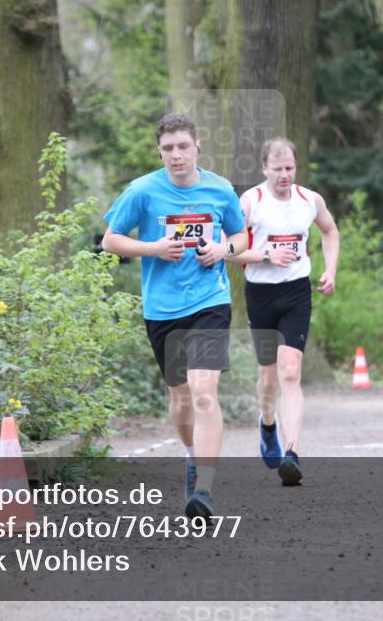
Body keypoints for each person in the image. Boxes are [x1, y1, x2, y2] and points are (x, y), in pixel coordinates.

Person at [102, 113, 248, 519]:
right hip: (162, 309)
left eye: (183, 146)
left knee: (204, 392)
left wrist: (224, 251)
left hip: (210, 301)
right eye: (168, 149)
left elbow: (240, 236)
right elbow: (110, 240)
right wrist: (154, 248)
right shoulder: (143, 191)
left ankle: (203, 488)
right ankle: (190, 457)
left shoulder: (220, 190)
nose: (176, 155)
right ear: (160, 152)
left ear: (197, 146)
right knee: (181, 399)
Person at [233, 138, 338, 486]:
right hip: (260, 294)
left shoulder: (310, 200)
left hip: (296, 292)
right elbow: (227, 249)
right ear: (264, 168)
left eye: (290, 168)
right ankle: (267, 424)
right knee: (267, 376)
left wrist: (330, 270)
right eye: (277, 169)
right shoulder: (250, 202)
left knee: (290, 371)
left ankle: (291, 453)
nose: (284, 175)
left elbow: (330, 231)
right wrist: (265, 257)